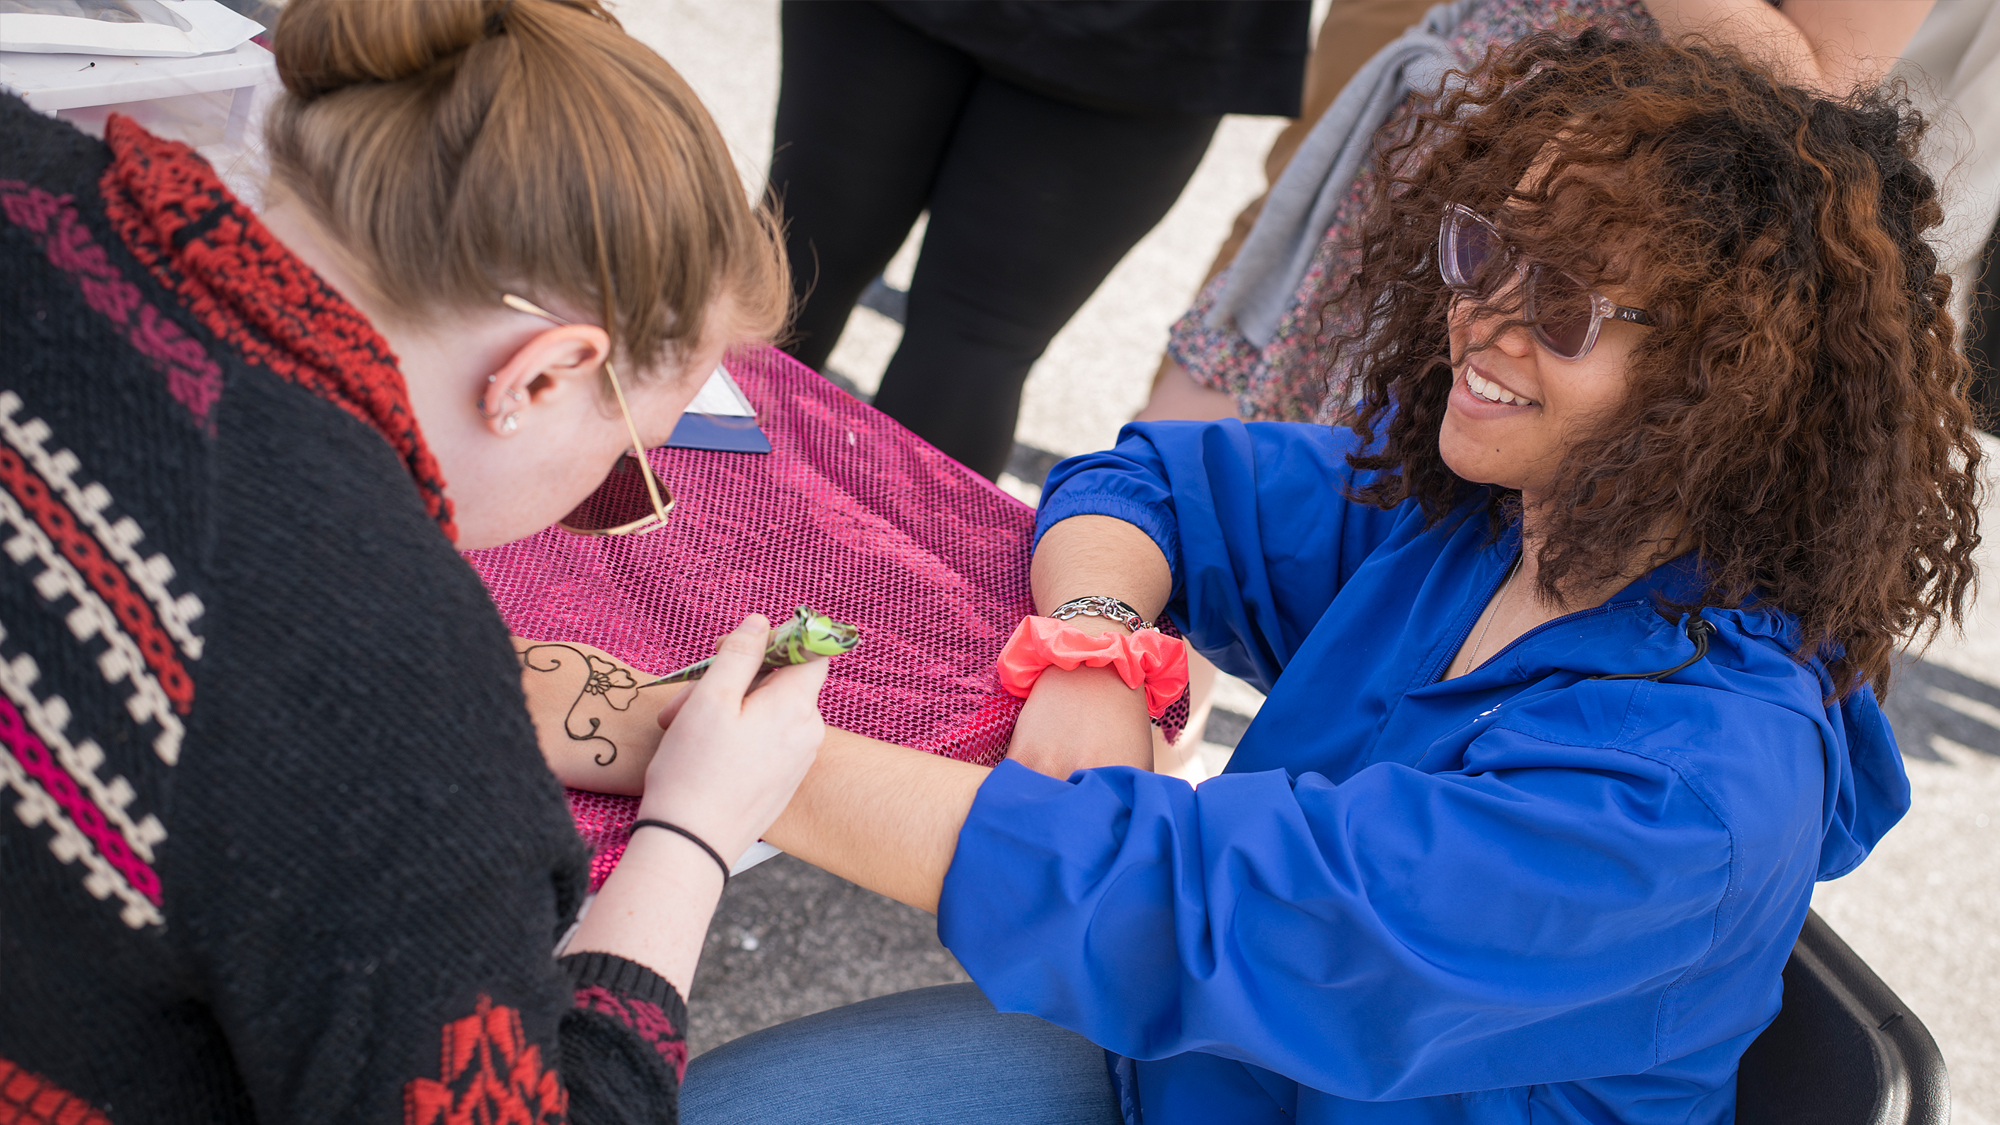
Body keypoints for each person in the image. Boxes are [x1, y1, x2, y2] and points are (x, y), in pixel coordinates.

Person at [677, 28, 1985, 1125]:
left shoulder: (1684, 796)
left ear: (1725, 387)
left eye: (1570, 306)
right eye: (1489, 251)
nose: (1485, 317)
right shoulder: (1500, 513)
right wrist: (1091, 643)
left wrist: (710, 752)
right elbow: (1150, 486)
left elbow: (1178, 907)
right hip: (1190, 1076)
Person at [0, 1, 827, 1120]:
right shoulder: (384, 682)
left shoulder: (26, 164)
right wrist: (690, 836)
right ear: (540, 374)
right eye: (633, 456)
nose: (611, 499)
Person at [1141, 0, 1938, 426]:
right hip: (1429, 140)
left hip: (1575, 230)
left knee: (1392, 546)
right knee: (1203, 469)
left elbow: (1826, 95)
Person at [768, 0, 1310, 480]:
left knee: (798, 256)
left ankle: (692, 530)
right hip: (1149, 34)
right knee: (977, 337)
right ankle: (879, 586)